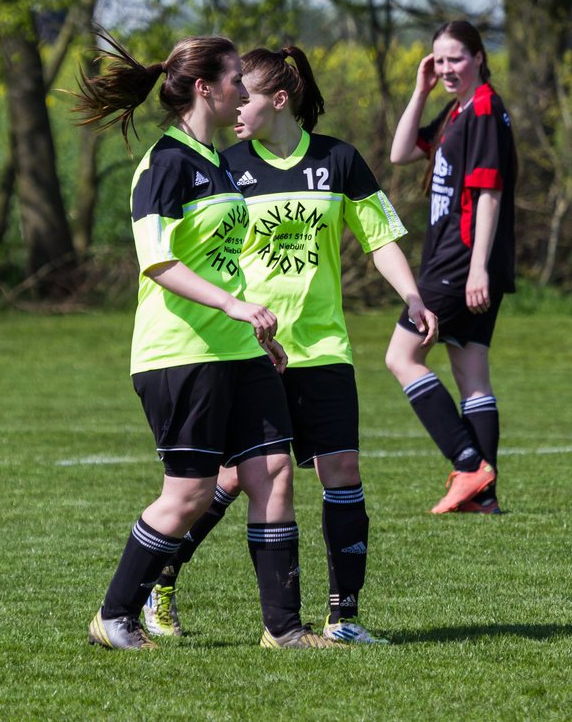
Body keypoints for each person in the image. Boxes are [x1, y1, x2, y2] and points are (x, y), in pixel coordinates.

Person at [141, 45, 438, 645]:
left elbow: (379, 238)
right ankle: (160, 583)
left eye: (245, 95)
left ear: (280, 100)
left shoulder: (340, 160)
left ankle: (344, 617)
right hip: (249, 349)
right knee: (228, 480)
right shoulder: (223, 169)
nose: (236, 106)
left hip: (323, 347)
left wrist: (411, 296)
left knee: (343, 471)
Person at [70, 33, 336, 650]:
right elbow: (158, 261)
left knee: (272, 471)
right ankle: (113, 618)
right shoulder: (165, 162)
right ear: (204, 88)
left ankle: (284, 631)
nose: (244, 90)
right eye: (236, 79)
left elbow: (219, 261)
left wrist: (253, 329)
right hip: (180, 354)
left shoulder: (214, 160)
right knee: (188, 493)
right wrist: (234, 304)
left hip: (237, 351)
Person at [384, 20, 517, 514]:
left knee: (402, 357)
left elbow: (489, 192)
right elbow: (400, 154)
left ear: (479, 58)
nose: (446, 69)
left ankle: (468, 464)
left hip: (460, 261)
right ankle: (484, 498)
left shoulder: (483, 109)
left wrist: (478, 267)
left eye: (456, 58)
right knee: (472, 373)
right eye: (438, 61)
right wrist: (419, 92)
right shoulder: (455, 111)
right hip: (460, 260)